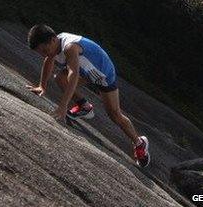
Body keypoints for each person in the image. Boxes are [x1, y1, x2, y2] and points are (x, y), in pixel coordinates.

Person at [25, 24, 150, 167]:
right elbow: (48, 61)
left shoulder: (69, 47)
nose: (45, 54)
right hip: (86, 71)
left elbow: (73, 75)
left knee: (114, 114)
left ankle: (139, 143)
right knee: (59, 77)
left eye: (45, 50)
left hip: (102, 74)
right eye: (41, 52)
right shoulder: (54, 47)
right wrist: (42, 85)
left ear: (53, 39)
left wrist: (63, 106)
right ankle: (84, 106)